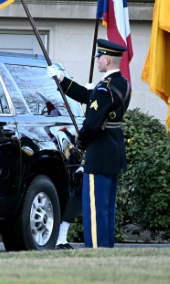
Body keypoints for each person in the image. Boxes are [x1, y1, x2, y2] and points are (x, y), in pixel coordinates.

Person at [47, 38, 130, 249]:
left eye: (99, 57)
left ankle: (96, 249)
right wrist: (62, 79)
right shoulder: (120, 84)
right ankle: (105, 247)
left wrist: (80, 145)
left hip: (99, 152)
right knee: (106, 207)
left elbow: (92, 124)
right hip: (113, 150)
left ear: (108, 59)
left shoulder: (105, 89)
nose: (97, 61)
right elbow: (86, 95)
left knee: (95, 208)